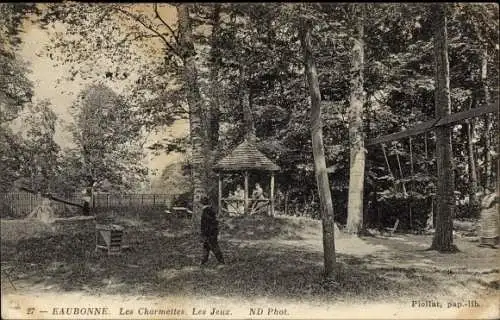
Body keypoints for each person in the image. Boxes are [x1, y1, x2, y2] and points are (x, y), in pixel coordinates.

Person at [200, 196, 225, 265]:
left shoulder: (205, 212)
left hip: (209, 233)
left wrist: (204, 234)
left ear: (202, 204)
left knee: (214, 247)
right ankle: (203, 261)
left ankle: (221, 261)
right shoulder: (210, 210)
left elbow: (205, 225)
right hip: (212, 232)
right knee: (206, 247)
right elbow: (215, 222)